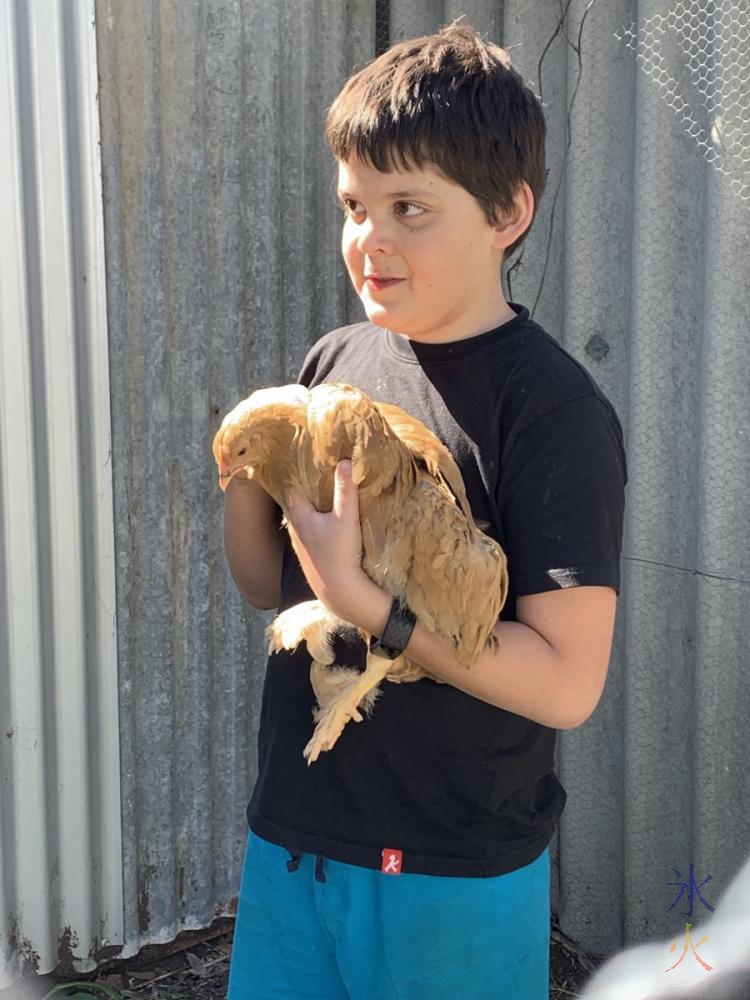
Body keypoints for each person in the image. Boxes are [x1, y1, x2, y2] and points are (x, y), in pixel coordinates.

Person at [223, 20, 627, 1000]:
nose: (371, 238)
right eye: (354, 205)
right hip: (297, 838)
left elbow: (568, 683)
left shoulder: (550, 411)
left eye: (409, 207)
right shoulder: (334, 365)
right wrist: (242, 465)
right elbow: (265, 586)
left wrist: (374, 608)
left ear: (508, 212)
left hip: (449, 870)